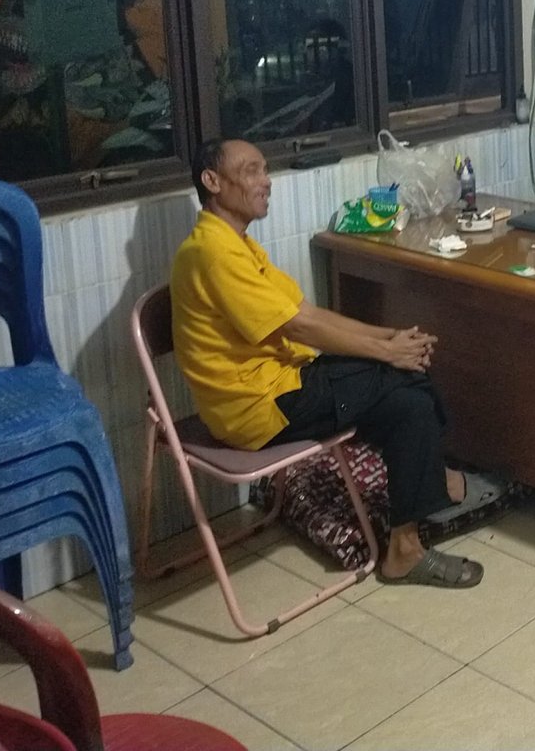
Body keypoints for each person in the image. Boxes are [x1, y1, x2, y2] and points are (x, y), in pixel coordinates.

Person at [171, 140, 484, 587]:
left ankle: (410, 536)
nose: (266, 182)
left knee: (407, 395)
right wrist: (388, 352)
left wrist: (388, 337)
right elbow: (299, 328)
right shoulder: (212, 252)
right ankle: (434, 497)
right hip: (259, 407)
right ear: (212, 181)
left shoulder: (237, 244)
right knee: (404, 376)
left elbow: (307, 313)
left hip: (284, 383)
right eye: (253, 171)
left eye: (265, 170)